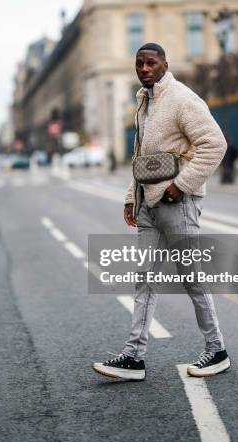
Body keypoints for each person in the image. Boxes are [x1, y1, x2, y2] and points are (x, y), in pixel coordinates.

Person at [92, 43, 230, 381]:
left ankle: (217, 350)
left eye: (150, 62)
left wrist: (181, 185)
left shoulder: (183, 99)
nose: (144, 68)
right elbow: (143, 156)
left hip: (177, 204)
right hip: (148, 206)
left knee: (191, 279)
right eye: (139, 63)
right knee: (145, 281)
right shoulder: (145, 101)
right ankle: (134, 357)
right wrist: (130, 197)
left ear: (165, 64)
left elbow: (216, 144)